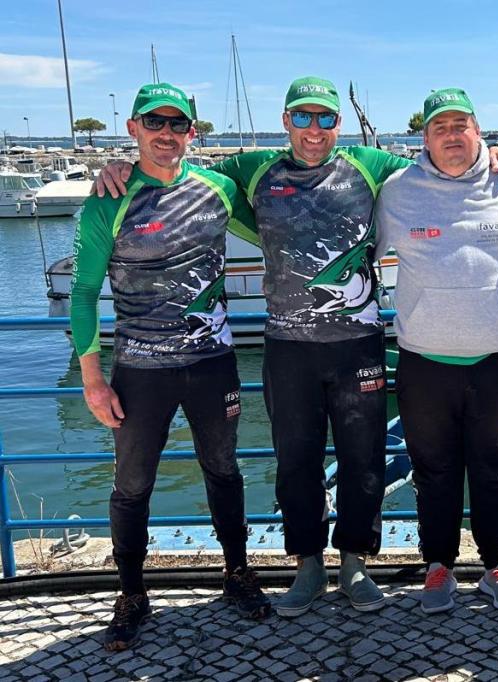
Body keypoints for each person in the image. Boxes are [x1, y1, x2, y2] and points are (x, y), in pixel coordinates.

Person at [97, 76, 498, 618]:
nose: (314, 128)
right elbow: (179, 170)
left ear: (339, 123)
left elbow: (440, 164)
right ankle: (308, 564)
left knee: (364, 459)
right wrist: (120, 167)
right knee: (296, 459)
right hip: (288, 346)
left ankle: (355, 562)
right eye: (302, 116)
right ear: (286, 121)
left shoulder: (370, 165)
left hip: (358, 345)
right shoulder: (253, 169)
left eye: (325, 117)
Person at [71, 82, 270, 651]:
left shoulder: (217, 189)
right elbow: (83, 294)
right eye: (154, 122)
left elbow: (277, 207)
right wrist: (93, 379)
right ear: (132, 128)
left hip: (213, 364)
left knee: (224, 471)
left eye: (177, 124)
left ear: (192, 133)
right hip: (140, 371)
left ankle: (237, 573)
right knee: (132, 486)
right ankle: (132, 594)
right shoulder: (108, 200)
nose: (166, 133)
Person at [375, 88, 498, 614]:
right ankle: (438, 564)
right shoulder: (396, 192)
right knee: (433, 470)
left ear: (478, 131)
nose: (451, 136)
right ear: (424, 137)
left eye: (460, 125)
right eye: (439, 127)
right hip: (424, 363)